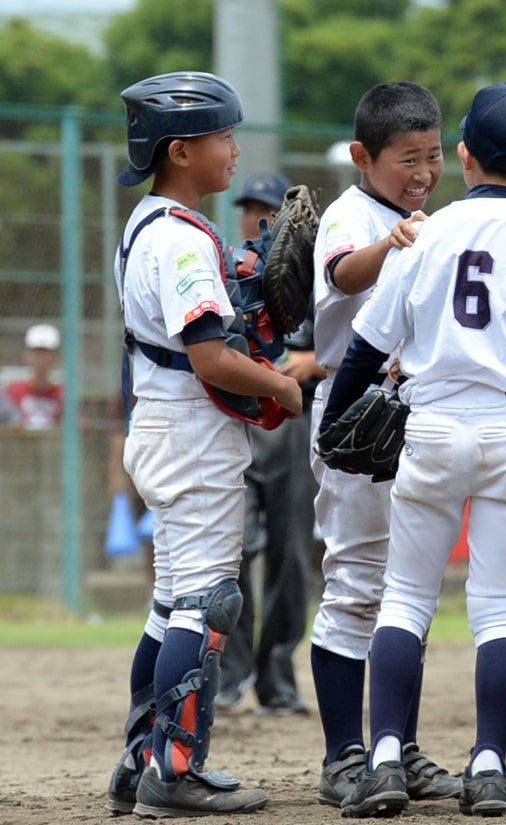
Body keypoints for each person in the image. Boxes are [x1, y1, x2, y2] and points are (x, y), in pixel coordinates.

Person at [318, 78, 506, 818]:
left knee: (406, 597)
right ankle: (488, 765)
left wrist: (335, 422)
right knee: (495, 609)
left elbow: (366, 345)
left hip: (433, 424)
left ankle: (384, 756)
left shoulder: (426, 231)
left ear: (465, 154)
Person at [104, 71, 303, 818]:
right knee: (207, 601)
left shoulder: (147, 221)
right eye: (223, 137)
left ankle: (139, 760)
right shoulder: (184, 240)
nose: (234, 149)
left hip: (162, 424)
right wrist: (282, 385)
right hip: (190, 432)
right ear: (181, 151)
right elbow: (210, 356)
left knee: (170, 606)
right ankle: (174, 771)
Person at [307, 81, 459, 809]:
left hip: (414, 415)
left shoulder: (429, 218)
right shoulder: (352, 213)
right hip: (352, 414)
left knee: (410, 592)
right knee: (356, 585)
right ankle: (344, 755)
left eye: (432, 155)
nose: (423, 172)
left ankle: (399, 745)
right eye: (407, 158)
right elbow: (340, 272)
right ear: (363, 156)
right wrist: (387, 243)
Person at [215, 172, 324, 714]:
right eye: (249, 207)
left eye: (266, 209)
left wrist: (314, 363)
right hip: (238, 421)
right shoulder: (224, 271)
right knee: (233, 552)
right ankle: (230, 680)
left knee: (289, 554)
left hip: (294, 424)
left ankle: (277, 681)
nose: (254, 216)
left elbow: (357, 341)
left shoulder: (314, 278)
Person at [4, 323, 64, 429]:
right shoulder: (13, 392)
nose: (40, 357)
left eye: (45, 352)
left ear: (56, 357)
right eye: (36, 351)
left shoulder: (64, 395)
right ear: (26, 355)